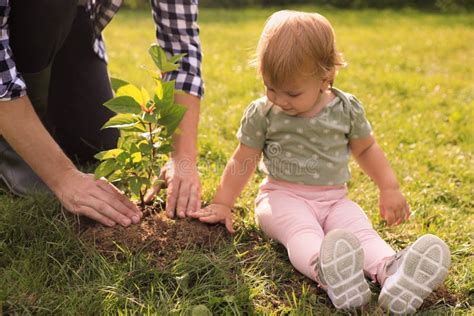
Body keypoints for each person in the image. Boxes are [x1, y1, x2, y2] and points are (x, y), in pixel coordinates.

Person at [190, 10, 451, 314]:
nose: (279, 99)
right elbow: (243, 159)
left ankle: (391, 272)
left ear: (325, 77)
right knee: (302, 232)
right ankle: (328, 273)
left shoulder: (345, 109)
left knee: (359, 232)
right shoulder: (263, 113)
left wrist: (389, 187)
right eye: (269, 87)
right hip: (281, 198)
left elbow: (366, 150)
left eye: (292, 92)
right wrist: (223, 202)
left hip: (334, 200)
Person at [0, 0, 203, 227]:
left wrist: (182, 157)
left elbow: (181, 47)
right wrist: (64, 177)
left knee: (96, 142)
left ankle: (33, 118)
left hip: (72, 23)